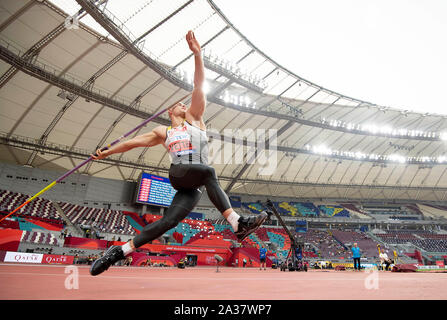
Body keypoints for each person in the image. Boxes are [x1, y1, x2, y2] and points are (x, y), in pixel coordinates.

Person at [89, 31, 269, 276]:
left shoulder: (196, 119)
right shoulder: (163, 131)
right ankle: (237, 222)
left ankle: (119, 252)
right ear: (170, 111)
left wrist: (198, 54)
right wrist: (106, 152)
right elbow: (131, 143)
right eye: (179, 105)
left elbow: (198, 85)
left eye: (185, 105)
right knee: (208, 171)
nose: (184, 105)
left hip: (193, 186)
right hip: (180, 173)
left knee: (168, 222)